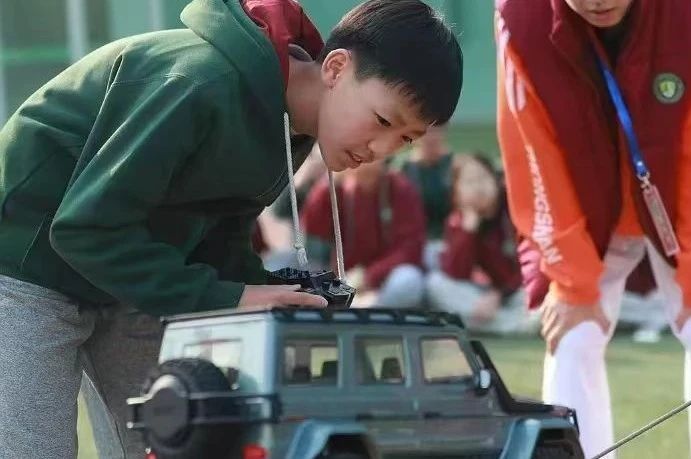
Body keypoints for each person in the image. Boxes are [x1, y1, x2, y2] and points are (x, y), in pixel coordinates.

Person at [0, 0, 462, 456]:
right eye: (382, 120)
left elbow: (219, 234)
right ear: (337, 69)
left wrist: (278, 295)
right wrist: (230, 297)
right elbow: (85, 228)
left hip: (129, 271)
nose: (381, 148)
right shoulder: (199, 81)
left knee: (175, 439)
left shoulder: (297, 125)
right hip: (25, 262)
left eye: (404, 139)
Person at [495, 0, 691, 457]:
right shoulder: (521, 18)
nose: (599, 1)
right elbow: (532, 156)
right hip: (584, 210)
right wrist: (572, 281)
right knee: (572, 336)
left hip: (681, 205)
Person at [425, 153, 537, 334]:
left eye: (483, 178)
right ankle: (511, 325)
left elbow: (532, 267)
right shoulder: (457, 222)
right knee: (435, 284)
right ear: (457, 192)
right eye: (469, 182)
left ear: (496, 181)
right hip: (482, 295)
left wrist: (499, 294)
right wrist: (469, 230)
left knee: (541, 296)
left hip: (516, 291)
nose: (478, 188)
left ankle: (487, 324)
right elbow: (456, 273)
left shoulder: (515, 211)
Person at [301, 160, 427, 309]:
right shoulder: (336, 189)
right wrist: (328, 182)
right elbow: (312, 227)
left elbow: (410, 248)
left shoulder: (400, 188)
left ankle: (371, 315)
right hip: (342, 278)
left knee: (409, 280)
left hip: (384, 281)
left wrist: (368, 276)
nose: (364, 160)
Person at [398, 126, 457, 270]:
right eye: (425, 131)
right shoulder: (403, 169)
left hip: (451, 241)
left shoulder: (456, 166)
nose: (431, 137)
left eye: (436, 130)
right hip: (415, 243)